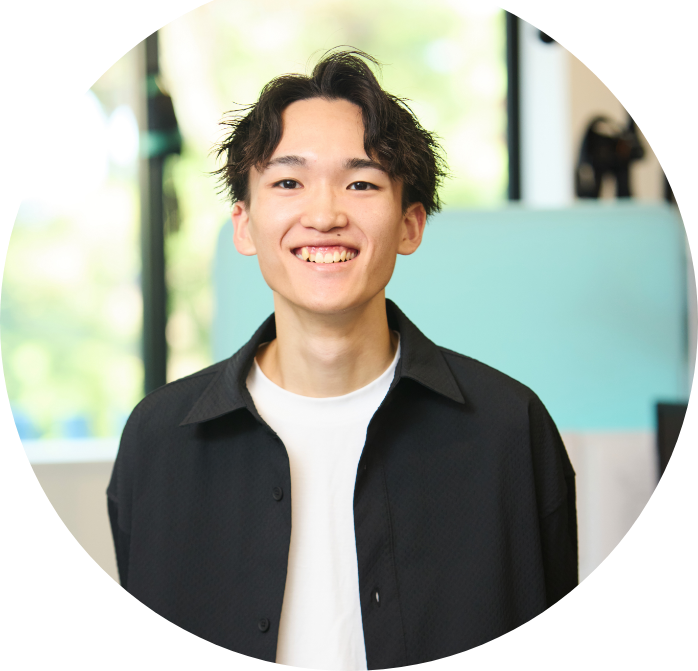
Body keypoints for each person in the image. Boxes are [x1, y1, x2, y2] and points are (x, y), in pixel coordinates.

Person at [107, 48, 577, 668]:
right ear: (243, 225)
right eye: (288, 182)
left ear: (410, 225)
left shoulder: (509, 429)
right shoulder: (160, 439)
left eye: (361, 183)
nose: (325, 215)